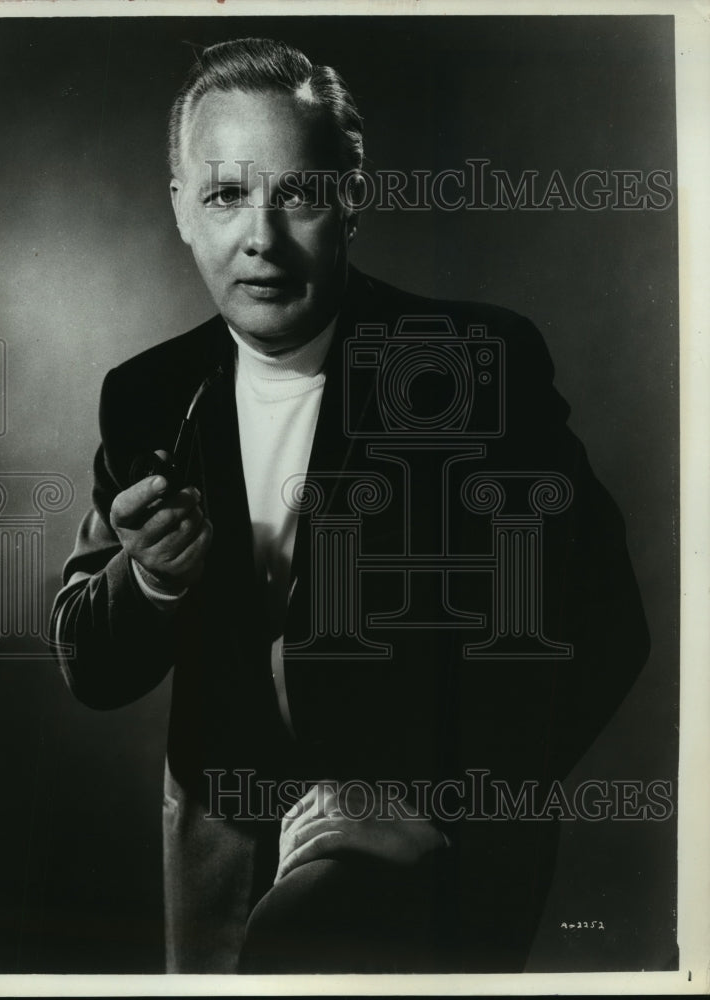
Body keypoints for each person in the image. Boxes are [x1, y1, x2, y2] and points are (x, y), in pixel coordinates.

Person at [50, 37, 650, 974]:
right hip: (214, 865)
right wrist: (153, 582)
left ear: (354, 198)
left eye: (298, 193)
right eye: (224, 195)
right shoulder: (144, 393)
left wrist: (432, 806)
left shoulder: (471, 363)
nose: (261, 237)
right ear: (179, 209)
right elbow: (91, 665)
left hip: (420, 864)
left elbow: (609, 621)